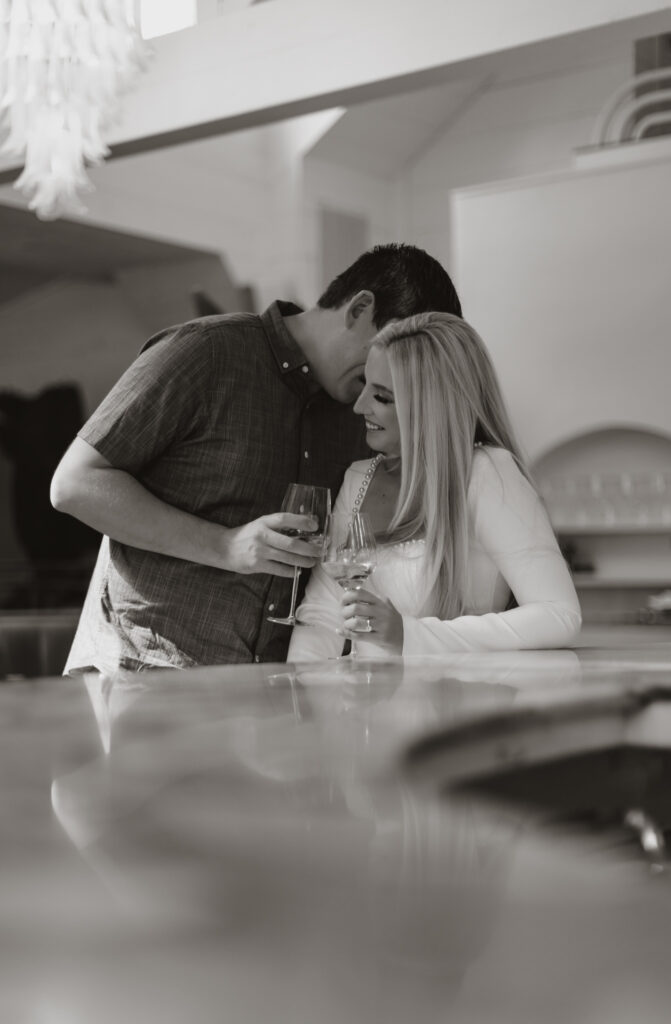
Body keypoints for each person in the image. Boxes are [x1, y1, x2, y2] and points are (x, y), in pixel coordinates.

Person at [51, 244, 463, 672]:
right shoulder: (206, 352)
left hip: (267, 691)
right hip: (146, 671)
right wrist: (225, 545)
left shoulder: (364, 416)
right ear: (359, 308)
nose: (397, 373)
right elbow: (75, 484)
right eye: (396, 346)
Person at [287, 312, 582, 661]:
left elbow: (558, 615)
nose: (359, 405)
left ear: (429, 406)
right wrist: (303, 693)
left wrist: (410, 635)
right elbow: (321, 614)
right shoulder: (358, 478)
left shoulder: (486, 474)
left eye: (382, 397)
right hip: (364, 710)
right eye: (365, 384)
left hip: (455, 707)